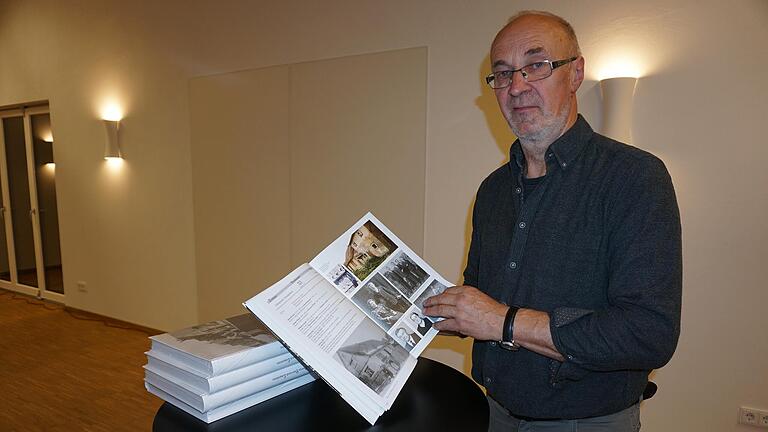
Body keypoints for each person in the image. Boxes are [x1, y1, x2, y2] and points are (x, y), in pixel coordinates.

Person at [422, 10, 681, 432]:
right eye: (502, 74)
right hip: (492, 412)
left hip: (587, 421)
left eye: (536, 66)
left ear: (576, 73)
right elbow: (480, 298)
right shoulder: (492, 191)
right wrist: (413, 310)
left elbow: (647, 334)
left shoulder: (634, 177)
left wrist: (501, 320)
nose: (517, 86)